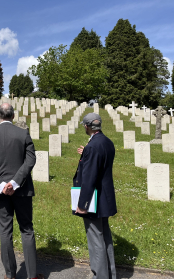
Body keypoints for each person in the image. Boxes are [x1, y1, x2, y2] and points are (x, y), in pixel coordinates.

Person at [0, 103, 44, 279]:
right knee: (26, 229)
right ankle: (32, 276)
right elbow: (30, 160)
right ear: (13, 116)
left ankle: (10, 275)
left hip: (0, 192)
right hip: (22, 190)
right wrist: (15, 183)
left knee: (5, 231)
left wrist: (1, 185)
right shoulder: (23, 134)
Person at [74, 113, 117, 279]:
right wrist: (86, 154)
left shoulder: (93, 147)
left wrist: (82, 205)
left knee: (95, 241)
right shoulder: (106, 142)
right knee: (105, 238)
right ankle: (110, 274)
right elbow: (100, 162)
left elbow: (90, 177)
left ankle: (100, 276)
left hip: (93, 200)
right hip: (104, 198)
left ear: (87, 126)